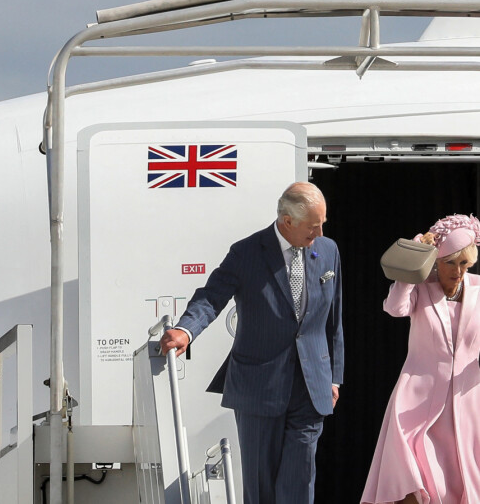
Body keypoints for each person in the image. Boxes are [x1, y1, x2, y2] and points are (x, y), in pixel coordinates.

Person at [160, 181, 344, 504]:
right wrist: (186, 330)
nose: (320, 232)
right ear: (287, 222)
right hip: (259, 386)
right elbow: (211, 297)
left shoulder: (327, 251)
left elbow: (334, 320)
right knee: (262, 490)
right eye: (313, 226)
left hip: (310, 387)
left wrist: (334, 376)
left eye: (322, 224)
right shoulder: (246, 252)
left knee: (300, 483)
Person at [361, 214, 480, 504]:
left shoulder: (479, 290)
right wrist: (415, 258)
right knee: (415, 480)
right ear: (437, 260)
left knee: (460, 479)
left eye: (464, 263)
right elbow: (395, 307)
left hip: (467, 403)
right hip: (418, 399)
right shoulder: (421, 286)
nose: (458, 271)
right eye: (450, 262)